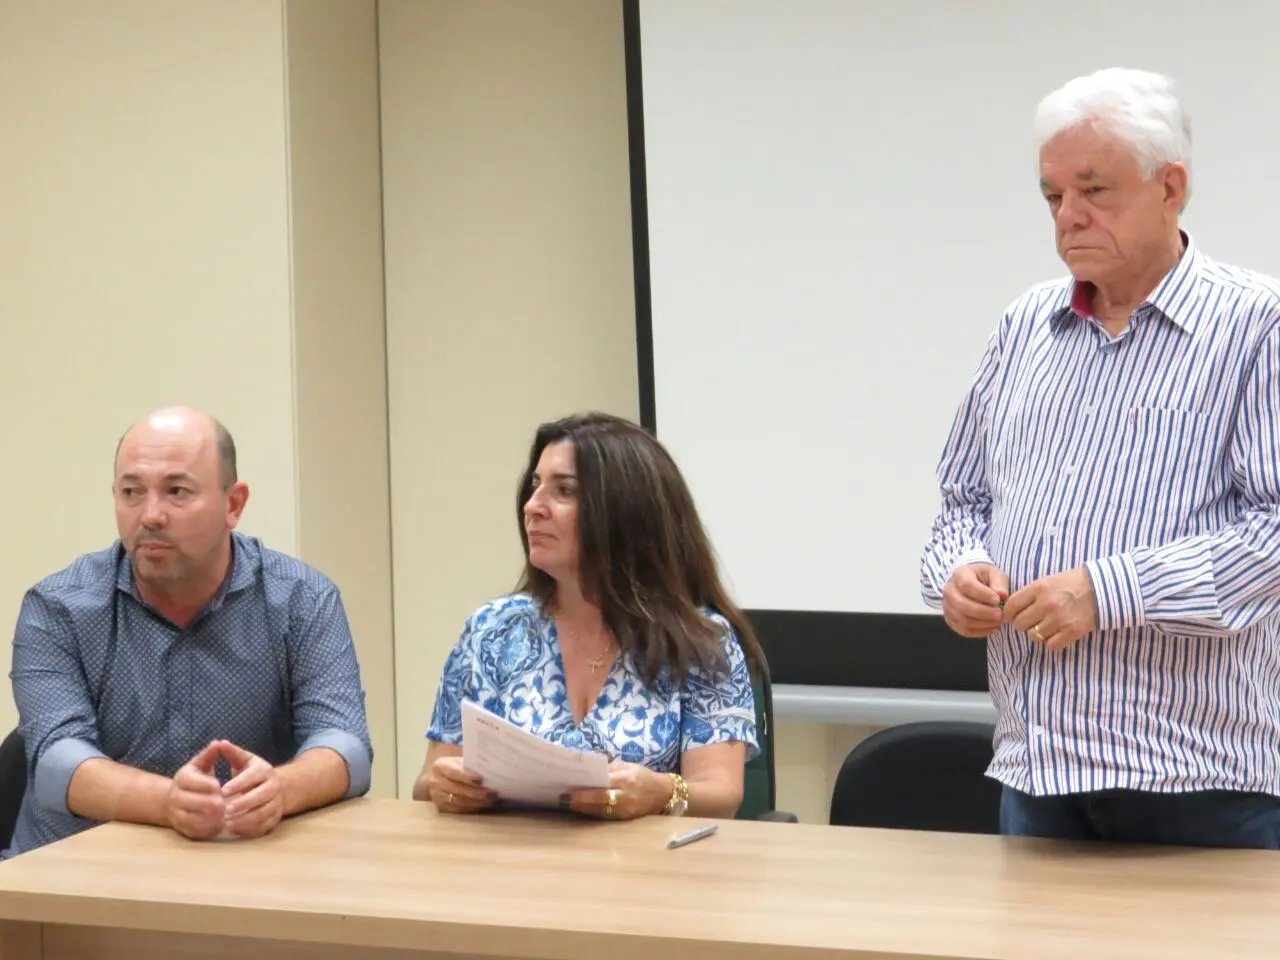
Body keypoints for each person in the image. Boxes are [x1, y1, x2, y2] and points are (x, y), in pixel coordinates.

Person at [921, 67, 1280, 848]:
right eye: (1053, 195)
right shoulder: (1024, 326)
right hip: (1036, 772)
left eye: (1094, 190)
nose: (1068, 216)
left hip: (1199, 782)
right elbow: (963, 502)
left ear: (1170, 187)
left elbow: (1273, 534)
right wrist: (958, 571)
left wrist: (1106, 592)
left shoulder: (1258, 325)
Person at [4, 406, 372, 857]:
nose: (151, 515)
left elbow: (346, 745)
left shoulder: (301, 600)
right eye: (131, 492)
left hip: (244, 865)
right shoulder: (59, 607)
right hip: (74, 872)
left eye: (176, 491)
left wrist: (280, 788)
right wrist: (168, 802)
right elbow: (56, 763)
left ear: (233, 505)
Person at [414, 412, 761, 820]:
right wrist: (445, 787)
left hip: (645, 857)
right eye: (535, 486)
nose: (532, 507)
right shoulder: (492, 631)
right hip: (511, 855)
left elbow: (722, 794)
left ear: (624, 511)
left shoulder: (699, 642)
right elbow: (427, 783)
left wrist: (661, 793)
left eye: (563, 491)